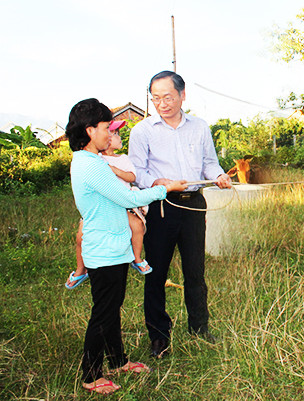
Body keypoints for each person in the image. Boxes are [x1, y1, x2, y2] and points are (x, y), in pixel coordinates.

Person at [65, 98, 187, 394]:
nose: (111, 134)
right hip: (103, 251)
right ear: (90, 130)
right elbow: (129, 199)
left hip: (113, 248)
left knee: (112, 308)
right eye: (107, 128)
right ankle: (91, 375)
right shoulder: (89, 166)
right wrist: (164, 189)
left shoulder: (93, 161)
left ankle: (118, 360)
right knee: (103, 313)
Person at [129, 70, 232, 358]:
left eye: (168, 97)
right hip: (162, 207)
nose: (162, 104)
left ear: (182, 95)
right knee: (156, 272)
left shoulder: (199, 127)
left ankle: (200, 328)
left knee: (195, 271)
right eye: (156, 98)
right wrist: (157, 183)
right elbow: (137, 172)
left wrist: (220, 176)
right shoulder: (143, 131)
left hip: (193, 206)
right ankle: (159, 337)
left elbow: (209, 164)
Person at [65, 120, 151, 290]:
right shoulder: (95, 159)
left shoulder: (123, 159)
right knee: (80, 236)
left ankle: (137, 258)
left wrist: (114, 169)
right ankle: (81, 269)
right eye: (113, 132)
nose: (117, 137)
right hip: (102, 206)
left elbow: (132, 178)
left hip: (123, 204)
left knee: (136, 226)